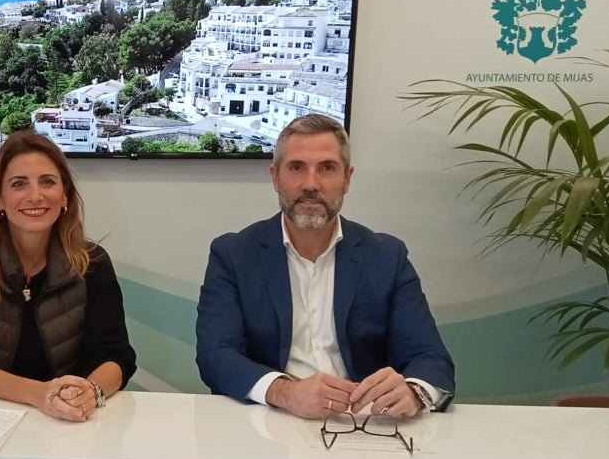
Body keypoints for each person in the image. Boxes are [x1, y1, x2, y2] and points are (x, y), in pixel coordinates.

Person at [195, 114, 454, 420]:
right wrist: (285, 392)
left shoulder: (386, 256)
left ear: (347, 178)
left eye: (327, 168)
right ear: (276, 177)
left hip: (363, 425)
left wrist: (413, 391)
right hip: (268, 420)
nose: (311, 184)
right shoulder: (234, 254)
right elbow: (216, 355)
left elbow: (430, 357)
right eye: (296, 168)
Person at [0, 130, 136, 421]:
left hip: (67, 418)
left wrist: (89, 392)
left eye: (47, 182)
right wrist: (38, 394)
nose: (35, 195)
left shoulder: (93, 262)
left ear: (64, 195)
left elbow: (116, 355)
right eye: (18, 184)